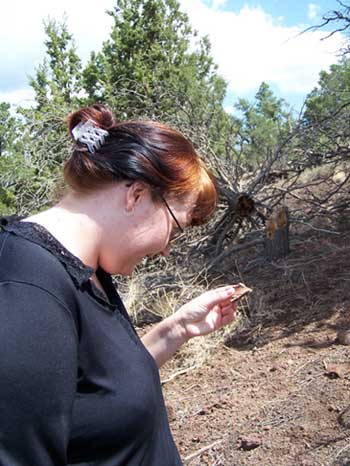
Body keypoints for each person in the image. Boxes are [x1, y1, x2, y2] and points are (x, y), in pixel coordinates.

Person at [0, 104, 239, 466]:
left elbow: (100, 394)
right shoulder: (30, 291)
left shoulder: (86, 269)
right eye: (174, 229)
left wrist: (177, 329)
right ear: (137, 195)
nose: (166, 249)